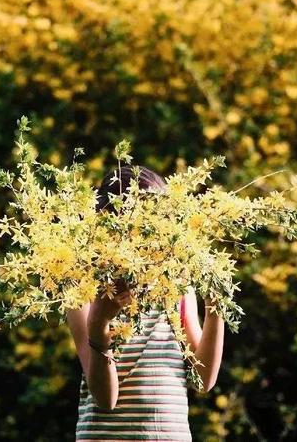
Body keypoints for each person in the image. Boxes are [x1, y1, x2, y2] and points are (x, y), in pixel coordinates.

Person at [66, 165, 225, 441]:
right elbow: (106, 399)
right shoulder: (83, 287)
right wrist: (99, 322)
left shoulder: (176, 282)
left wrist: (216, 308)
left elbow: (203, 378)